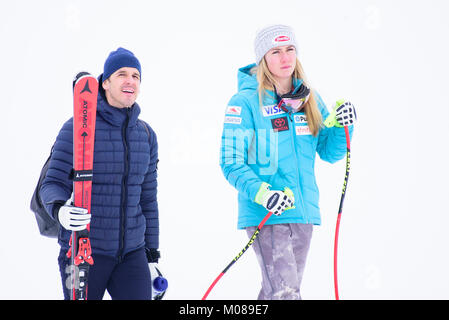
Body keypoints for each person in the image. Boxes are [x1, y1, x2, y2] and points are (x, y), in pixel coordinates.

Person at [219, 25, 356, 300]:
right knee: (284, 292)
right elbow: (230, 161)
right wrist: (264, 194)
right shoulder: (245, 102)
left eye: (290, 49)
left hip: (303, 213)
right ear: (263, 59)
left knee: (277, 292)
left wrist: (345, 127)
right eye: (276, 51)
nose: (285, 58)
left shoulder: (310, 98)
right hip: (267, 214)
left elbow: (329, 152)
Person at [40, 47, 161, 300]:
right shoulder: (77, 127)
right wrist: (59, 209)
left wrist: (152, 255)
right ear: (105, 82)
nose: (130, 81)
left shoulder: (146, 135)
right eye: (121, 74)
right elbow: (52, 183)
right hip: (82, 250)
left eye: (136, 76)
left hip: (132, 254)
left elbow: (148, 199)